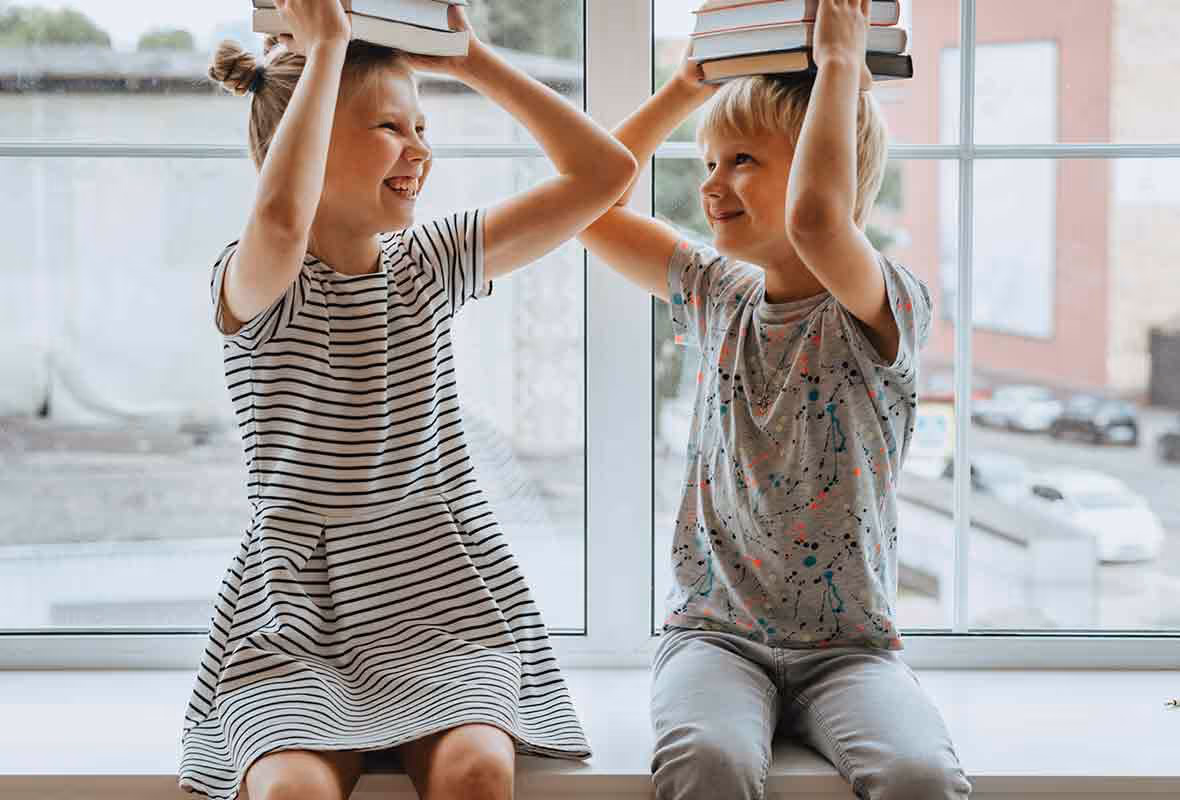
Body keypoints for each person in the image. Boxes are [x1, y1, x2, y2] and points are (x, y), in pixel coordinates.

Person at [178, 1, 636, 798]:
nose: (420, 149)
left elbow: (604, 176)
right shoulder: (256, 282)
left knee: (477, 770)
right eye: (391, 128)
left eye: (423, 127)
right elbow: (283, 221)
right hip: (296, 617)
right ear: (309, 143)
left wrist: (473, 63)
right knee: (292, 790)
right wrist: (326, 49)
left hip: (438, 597)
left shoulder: (427, 261)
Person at [577, 1, 971, 797]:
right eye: (709, 162)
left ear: (825, 168)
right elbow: (587, 205)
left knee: (921, 775)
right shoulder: (718, 290)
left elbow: (819, 223)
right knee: (708, 761)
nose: (711, 184)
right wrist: (684, 87)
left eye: (743, 161)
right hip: (715, 638)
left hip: (851, 648)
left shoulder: (882, 303)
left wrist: (838, 66)